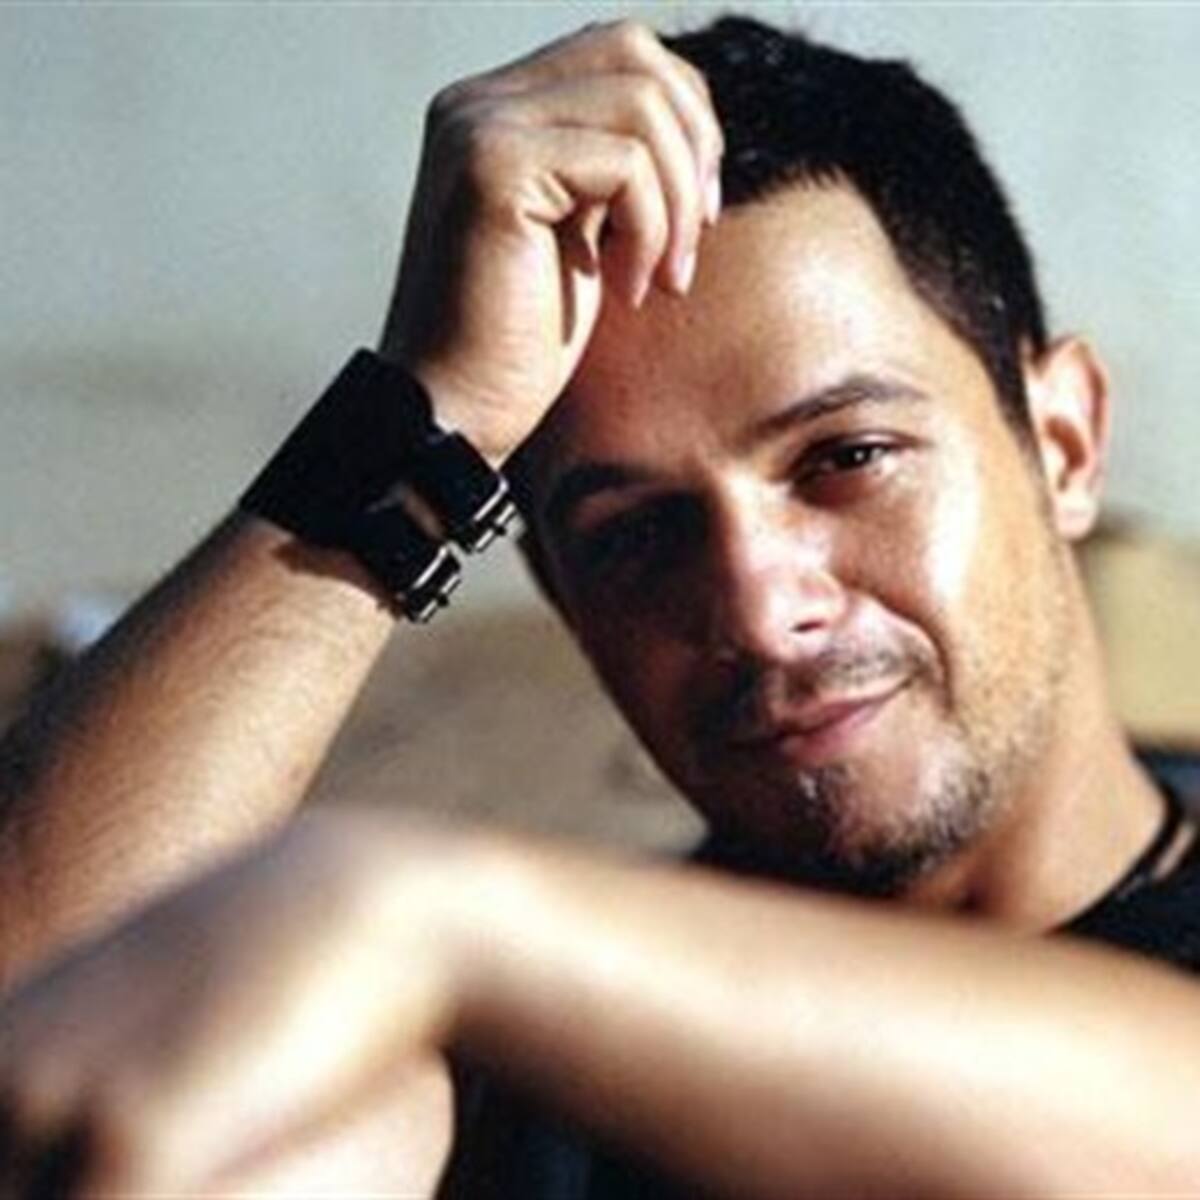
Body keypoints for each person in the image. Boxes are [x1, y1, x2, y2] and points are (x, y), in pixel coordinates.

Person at [1, 14, 1198, 1198]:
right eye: (634, 534)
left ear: (1064, 441)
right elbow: (44, 1065)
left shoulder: (466, 945)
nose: (758, 609)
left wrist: (423, 915)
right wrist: (427, 418)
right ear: (566, 601)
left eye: (846, 458)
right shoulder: (518, 1067)